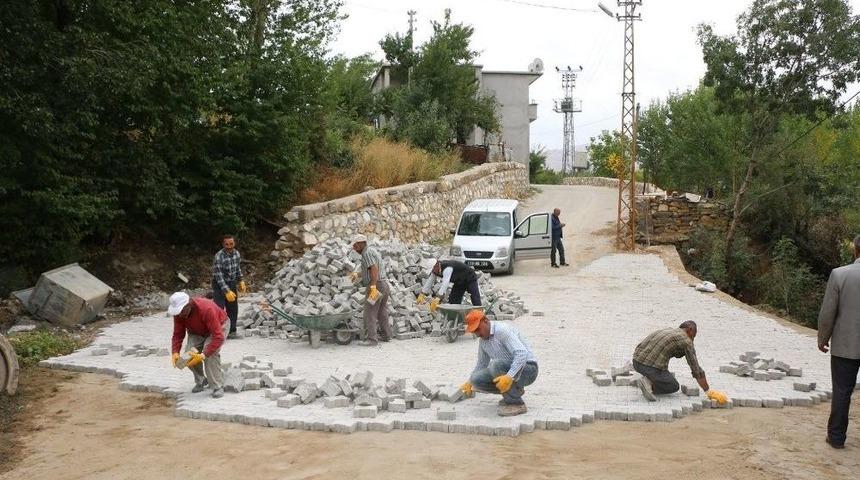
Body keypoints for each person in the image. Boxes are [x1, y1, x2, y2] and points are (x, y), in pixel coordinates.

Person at [817, 234, 860, 449]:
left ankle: (836, 438)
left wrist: (822, 338)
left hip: (845, 345)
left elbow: (828, 313)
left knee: (842, 392)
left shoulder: (840, 275)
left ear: (855, 250)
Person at [459, 310, 538, 416]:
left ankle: (516, 404)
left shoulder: (502, 331)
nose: (477, 334)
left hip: (528, 369)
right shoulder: (483, 340)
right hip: (510, 370)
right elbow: (482, 363)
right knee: (476, 380)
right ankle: (514, 391)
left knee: (495, 365)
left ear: (486, 321)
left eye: (478, 329)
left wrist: (509, 377)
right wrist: (469, 382)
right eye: (474, 331)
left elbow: (521, 354)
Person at [632, 321, 727, 405]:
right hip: (650, 367)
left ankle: (647, 377)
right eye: (693, 335)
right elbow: (696, 369)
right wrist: (708, 391)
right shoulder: (686, 341)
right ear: (690, 329)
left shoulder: (668, 330)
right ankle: (648, 383)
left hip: (636, 362)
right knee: (673, 386)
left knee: (662, 371)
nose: (693, 339)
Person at [168, 292, 227, 398]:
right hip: (196, 331)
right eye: (178, 312)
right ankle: (201, 380)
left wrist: (204, 354)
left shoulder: (206, 309)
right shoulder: (179, 314)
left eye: (181, 311)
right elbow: (178, 334)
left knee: (211, 354)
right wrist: (175, 352)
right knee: (188, 355)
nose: (180, 315)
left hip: (219, 326)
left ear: (188, 304)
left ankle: (217, 386)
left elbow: (218, 337)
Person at [351, 234, 393, 346]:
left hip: (376, 286)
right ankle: (387, 335)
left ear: (360, 244)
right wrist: (358, 274)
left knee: (370, 312)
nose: (354, 249)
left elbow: (374, 270)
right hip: (384, 285)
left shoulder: (366, 253)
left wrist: (373, 287)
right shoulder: (372, 251)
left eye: (355, 246)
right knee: (381, 311)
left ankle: (372, 340)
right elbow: (370, 270)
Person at [212, 235, 246, 339]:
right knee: (219, 309)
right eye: (226, 244)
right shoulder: (219, 256)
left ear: (234, 243)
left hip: (231, 283)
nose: (229, 246)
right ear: (223, 244)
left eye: (231, 244)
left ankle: (232, 331)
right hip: (219, 284)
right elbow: (218, 275)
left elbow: (237, 268)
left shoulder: (236, 253)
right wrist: (226, 291)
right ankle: (217, 333)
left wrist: (241, 280)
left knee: (233, 308)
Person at [417, 258, 481, 312]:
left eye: (433, 269)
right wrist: (422, 293)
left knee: (475, 297)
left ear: (436, 265)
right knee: (453, 300)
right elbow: (430, 281)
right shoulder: (436, 270)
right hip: (459, 281)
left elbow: (445, 283)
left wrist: (438, 298)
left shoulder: (447, 268)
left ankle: (480, 314)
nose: (433, 271)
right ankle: (456, 316)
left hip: (469, 277)